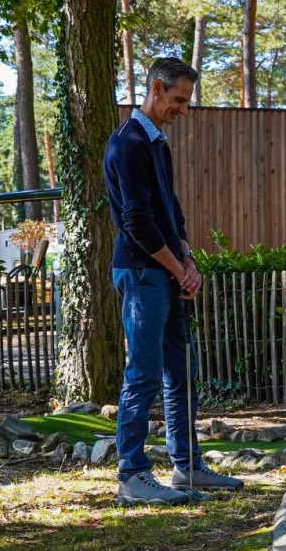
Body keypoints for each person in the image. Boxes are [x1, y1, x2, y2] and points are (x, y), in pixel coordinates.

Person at [103, 57, 241, 504]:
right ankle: (132, 475)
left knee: (181, 373)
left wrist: (188, 259)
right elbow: (137, 222)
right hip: (142, 271)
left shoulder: (156, 143)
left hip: (166, 270)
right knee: (142, 375)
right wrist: (175, 268)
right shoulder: (129, 143)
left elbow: (171, 211)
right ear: (157, 90)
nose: (184, 109)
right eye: (179, 99)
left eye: (187, 100)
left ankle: (187, 469)